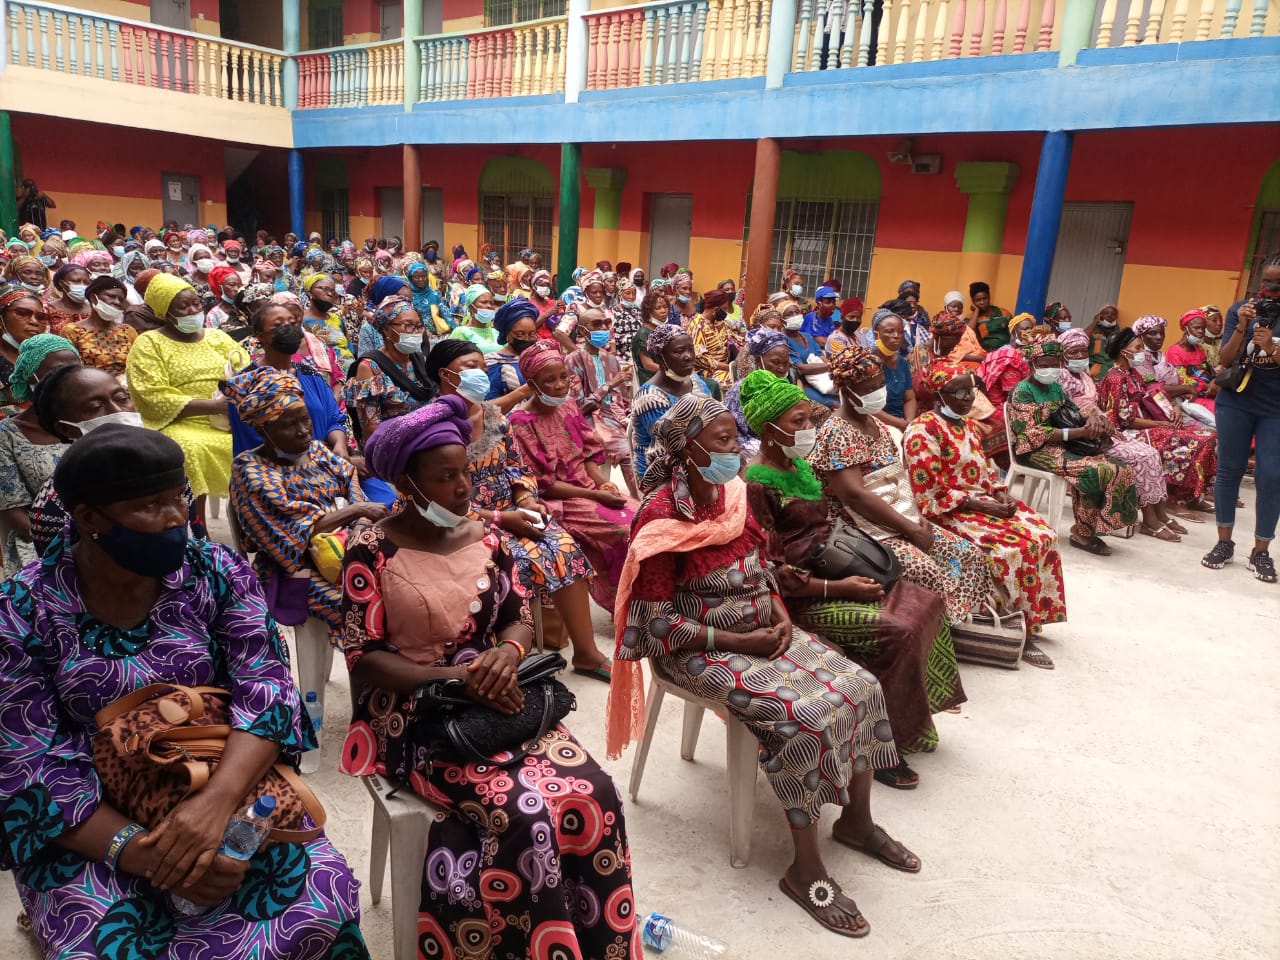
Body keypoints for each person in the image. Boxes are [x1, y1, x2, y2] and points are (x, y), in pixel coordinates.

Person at [0, 425, 369, 959]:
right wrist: (149, 855)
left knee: (317, 902)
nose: (177, 517)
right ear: (90, 519)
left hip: (225, 782)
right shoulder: (21, 609)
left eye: (178, 497)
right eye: (151, 506)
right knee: (104, 943)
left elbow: (266, 691)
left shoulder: (215, 572)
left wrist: (213, 809)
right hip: (92, 822)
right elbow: (26, 762)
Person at [337, 398, 640, 958]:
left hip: (500, 694)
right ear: (406, 481)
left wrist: (506, 652)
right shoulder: (371, 549)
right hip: (416, 709)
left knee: (593, 792)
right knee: (524, 811)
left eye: (465, 473)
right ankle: (525, 945)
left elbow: (516, 617)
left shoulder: (486, 537)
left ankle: (599, 944)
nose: (462, 489)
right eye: (445, 477)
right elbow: (365, 655)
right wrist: (455, 676)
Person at [609, 393, 918, 938]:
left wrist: (778, 620)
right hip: (698, 647)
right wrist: (743, 641)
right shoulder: (657, 518)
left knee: (863, 686)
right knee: (801, 716)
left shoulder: (734, 497)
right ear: (687, 449)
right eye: (724, 440)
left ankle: (856, 821)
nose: (738, 449)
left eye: (735, 438)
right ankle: (804, 870)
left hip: (761, 631)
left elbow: (764, 570)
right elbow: (656, 626)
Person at [741, 370, 964, 784]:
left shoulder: (800, 467)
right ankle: (877, 749)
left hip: (835, 565)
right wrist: (838, 587)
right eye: (798, 422)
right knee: (895, 631)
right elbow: (769, 570)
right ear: (769, 431)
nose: (809, 429)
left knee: (925, 601)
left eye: (809, 419)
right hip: (802, 595)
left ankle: (910, 718)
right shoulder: (757, 485)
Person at [427, 338, 612, 676]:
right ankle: (505, 664)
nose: (480, 374)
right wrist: (501, 518)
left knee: (564, 547)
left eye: (483, 368)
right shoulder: (432, 428)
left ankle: (586, 654)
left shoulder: (495, 417)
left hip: (513, 512)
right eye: (469, 368)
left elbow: (518, 468)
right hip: (462, 523)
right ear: (445, 375)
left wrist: (526, 500)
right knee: (506, 563)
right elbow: (432, 500)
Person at [811, 345, 993, 624]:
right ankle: (931, 631)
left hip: (897, 515)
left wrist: (916, 519)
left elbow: (898, 477)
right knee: (926, 571)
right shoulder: (838, 432)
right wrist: (908, 528)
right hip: (861, 528)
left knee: (970, 556)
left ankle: (950, 623)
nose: (879, 392)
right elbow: (855, 496)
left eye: (881, 384)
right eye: (870, 388)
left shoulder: (876, 424)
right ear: (847, 392)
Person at [904, 366, 1068, 667]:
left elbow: (984, 473)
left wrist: (999, 493)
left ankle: (1031, 618)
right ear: (939, 395)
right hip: (948, 511)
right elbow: (927, 496)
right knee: (1007, 549)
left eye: (971, 390)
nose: (968, 397)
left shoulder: (967, 426)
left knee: (1042, 534)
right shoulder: (923, 430)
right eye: (959, 391)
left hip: (979, 502)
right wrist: (983, 506)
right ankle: (1013, 629)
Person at [227, 365, 386, 646]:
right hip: (294, 570)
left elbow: (352, 485)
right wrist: (356, 512)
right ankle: (369, 669)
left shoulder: (316, 450)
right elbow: (292, 534)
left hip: (351, 549)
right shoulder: (251, 471)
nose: (303, 431)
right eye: (289, 425)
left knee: (405, 586)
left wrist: (359, 524)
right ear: (263, 429)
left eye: (305, 420)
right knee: (364, 606)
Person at [509, 340, 638, 615]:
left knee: (642, 517)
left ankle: (645, 598)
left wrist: (602, 482)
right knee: (622, 529)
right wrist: (595, 494)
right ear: (532, 385)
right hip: (560, 499)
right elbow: (543, 484)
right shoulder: (521, 423)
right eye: (549, 380)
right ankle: (624, 605)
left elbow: (589, 454)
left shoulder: (568, 405)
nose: (559, 385)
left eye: (563, 377)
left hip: (589, 488)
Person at [125, 273, 246, 520]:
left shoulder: (217, 337)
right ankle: (197, 525)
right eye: (183, 307)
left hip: (231, 416)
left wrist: (234, 402)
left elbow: (245, 368)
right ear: (164, 311)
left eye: (196, 304)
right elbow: (151, 394)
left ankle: (253, 520)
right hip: (180, 421)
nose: (193, 311)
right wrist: (213, 406)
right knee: (190, 450)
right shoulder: (149, 343)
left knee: (262, 442)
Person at [1008, 338, 1140, 555]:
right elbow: (1030, 434)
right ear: (1032, 364)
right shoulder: (1023, 391)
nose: (1050, 369)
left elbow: (1075, 413)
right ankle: (1083, 533)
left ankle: (1093, 528)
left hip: (1063, 444)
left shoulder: (1056, 388)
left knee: (1119, 466)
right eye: (1044, 364)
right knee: (1096, 471)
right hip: (1033, 450)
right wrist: (1078, 433)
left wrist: (1093, 420)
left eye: (1055, 364)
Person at [1059, 327, 1187, 541]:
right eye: (1074, 352)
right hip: (1083, 436)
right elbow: (1071, 411)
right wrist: (1104, 423)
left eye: (1084, 351)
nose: (1081, 356)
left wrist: (1105, 422)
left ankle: (1159, 514)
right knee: (1141, 456)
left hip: (1102, 430)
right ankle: (1149, 519)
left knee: (1150, 453)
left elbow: (1096, 408)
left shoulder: (1085, 377)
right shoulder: (1064, 378)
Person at [1202, 253, 1279, 582]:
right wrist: (1243, 327)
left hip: (1275, 408)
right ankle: (1224, 542)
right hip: (1236, 401)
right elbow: (1227, 358)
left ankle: (1261, 550)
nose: (1269, 288)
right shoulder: (1240, 309)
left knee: (1272, 475)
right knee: (1229, 470)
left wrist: (1273, 350)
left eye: (1277, 284)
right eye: (1266, 281)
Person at [1096, 328, 1218, 518]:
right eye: (1137, 348)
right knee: (1190, 443)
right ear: (1123, 351)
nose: (1141, 353)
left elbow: (1153, 393)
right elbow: (1124, 420)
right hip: (1127, 432)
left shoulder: (1134, 374)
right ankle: (1172, 499)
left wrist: (1174, 408)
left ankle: (1190, 495)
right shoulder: (1116, 378)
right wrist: (1161, 426)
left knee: (1209, 437)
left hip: (1147, 424)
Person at [0, 336, 82, 574]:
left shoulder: (91, 421)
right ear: (31, 378)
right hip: (41, 541)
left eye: (74, 368)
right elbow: (13, 511)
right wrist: (71, 545)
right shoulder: (9, 435)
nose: (68, 378)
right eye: (56, 371)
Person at [563, 306, 636, 495]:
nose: (603, 328)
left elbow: (623, 401)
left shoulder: (611, 360)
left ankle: (644, 503)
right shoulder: (573, 359)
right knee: (626, 452)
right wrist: (610, 385)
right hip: (588, 423)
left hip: (615, 422)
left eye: (606, 323)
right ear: (581, 331)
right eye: (597, 324)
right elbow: (578, 406)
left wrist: (629, 418)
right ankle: (636, 505)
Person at [630, 324, 717, 477]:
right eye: (679, 351)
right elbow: (672, 445)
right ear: (659, 357)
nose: (688, 356)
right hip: (660, 471)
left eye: (691, 349)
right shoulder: (650, 397)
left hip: (698, 458)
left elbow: (714, 419)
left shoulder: (696, 382)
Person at [346, 296, 432, 441]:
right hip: (394, 445)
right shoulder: (370, 367)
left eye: (419, 326)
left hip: (428, 437)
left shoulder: (418, 360)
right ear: (387, 330)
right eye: (408, 325)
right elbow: (371, 428)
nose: (416, 332)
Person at [725, 327, 794, 458]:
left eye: (786, 363)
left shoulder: (785, 388)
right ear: (758, 360)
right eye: (775, 362)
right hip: (747, 446)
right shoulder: (742, 389)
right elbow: (732, 430)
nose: (781, 369)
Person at [62, 275, 137, 376]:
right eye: (111, 296)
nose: (117, 302)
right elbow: (69, 370)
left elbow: (137, 364)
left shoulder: (127, 331)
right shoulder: (73, 331)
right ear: (93, 298)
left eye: (120, 299)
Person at [0, 285, 50, 413]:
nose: (34, 322)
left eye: (41, 317)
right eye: (22, 313)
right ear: (1, 317)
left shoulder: (50, 356)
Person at [484, 297, 537, 409]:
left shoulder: (540, 357)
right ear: (507, 334)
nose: (527, 339)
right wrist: (522, 392)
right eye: (520, 335)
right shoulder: (493, 363)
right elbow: (487, 407)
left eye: (532, 334)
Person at [781, 299, 835, 408]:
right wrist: (831, 366)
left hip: (822, 379)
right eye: (789, 314)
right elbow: (801, 368)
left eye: (797, 312)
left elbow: (820, 355)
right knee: (835, 404)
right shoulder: (783, 340)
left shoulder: (808, 336)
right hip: (801, 384)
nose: (795, 316)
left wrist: (831, 369)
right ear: (782, 320)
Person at [869, 309, 916, 431]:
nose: (896, 336)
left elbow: (909, 398)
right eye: (890, 331)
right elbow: (869, 408)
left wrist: (909, 422)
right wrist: (900, 425)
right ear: (876, 335)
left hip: (903, 422)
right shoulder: (867, 363)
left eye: (900, 332)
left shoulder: (902, 363)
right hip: (875, 424)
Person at [1166, 308, 1219, 414]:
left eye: (1203, 329)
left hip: (1207, 394)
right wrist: (1207, 387)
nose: (1201, 331)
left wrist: (1214, 381)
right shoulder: (1175, 351)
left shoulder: (1199, 349)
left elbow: (1209, 371)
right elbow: (1181, 380)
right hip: (1189, 397)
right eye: (1196, 328)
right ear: (1186, 328)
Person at [299, 274, 352, 362]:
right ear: (309, 292)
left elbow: (349, 348)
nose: (330, 293)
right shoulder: (301, 320)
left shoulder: (336, 319)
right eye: (324, 289)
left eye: (333, 291)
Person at [688, 287, 734, 384]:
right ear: (716, 309)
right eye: (724, 309)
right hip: (706, 371)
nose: (726, 313)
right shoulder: (697, 325)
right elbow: (700, 358)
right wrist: (729, 368)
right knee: (734, 381)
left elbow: (734, 339)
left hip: (725, 368)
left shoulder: (721, 323)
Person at [631, 288, 672, 383]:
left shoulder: (665, 329)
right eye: (658, 308)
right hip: (651, 380)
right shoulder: (643, 334)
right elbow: (648, 364)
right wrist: (671, 372)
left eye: (665, 307)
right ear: (649, 311)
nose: (663, 311)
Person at [451, 283, 502, 354]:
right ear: (472, 307)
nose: (489, 306)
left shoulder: (497, 332)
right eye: (484, 302)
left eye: (492, 303)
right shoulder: (461, 332)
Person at [44, 263, 93, 334]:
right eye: (76, 281)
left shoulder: (94, 309)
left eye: (86, 283)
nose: (82, 286)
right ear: (62, 283)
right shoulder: (47, 310)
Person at [969, 281, 1010, 350]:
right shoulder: (971, 318)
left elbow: (1015, 332)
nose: (982, 302)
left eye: (985, 298)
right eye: (978, 300)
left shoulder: (1003, 313)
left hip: (1006, 350)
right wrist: (976, 311)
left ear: (989, 297)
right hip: (984, 353)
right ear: (973, 301)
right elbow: (968, 334)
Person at [1086, 304, 1121, 378]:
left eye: (1113, 314)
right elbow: (1081, 338)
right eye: (1106, 313)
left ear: (1116, 317)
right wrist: (1095, 322)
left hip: (1113, 370)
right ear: (1100, 315)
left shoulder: (1120, 333)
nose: (1109, 315)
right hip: (1095, 369)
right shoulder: (1093, 330)